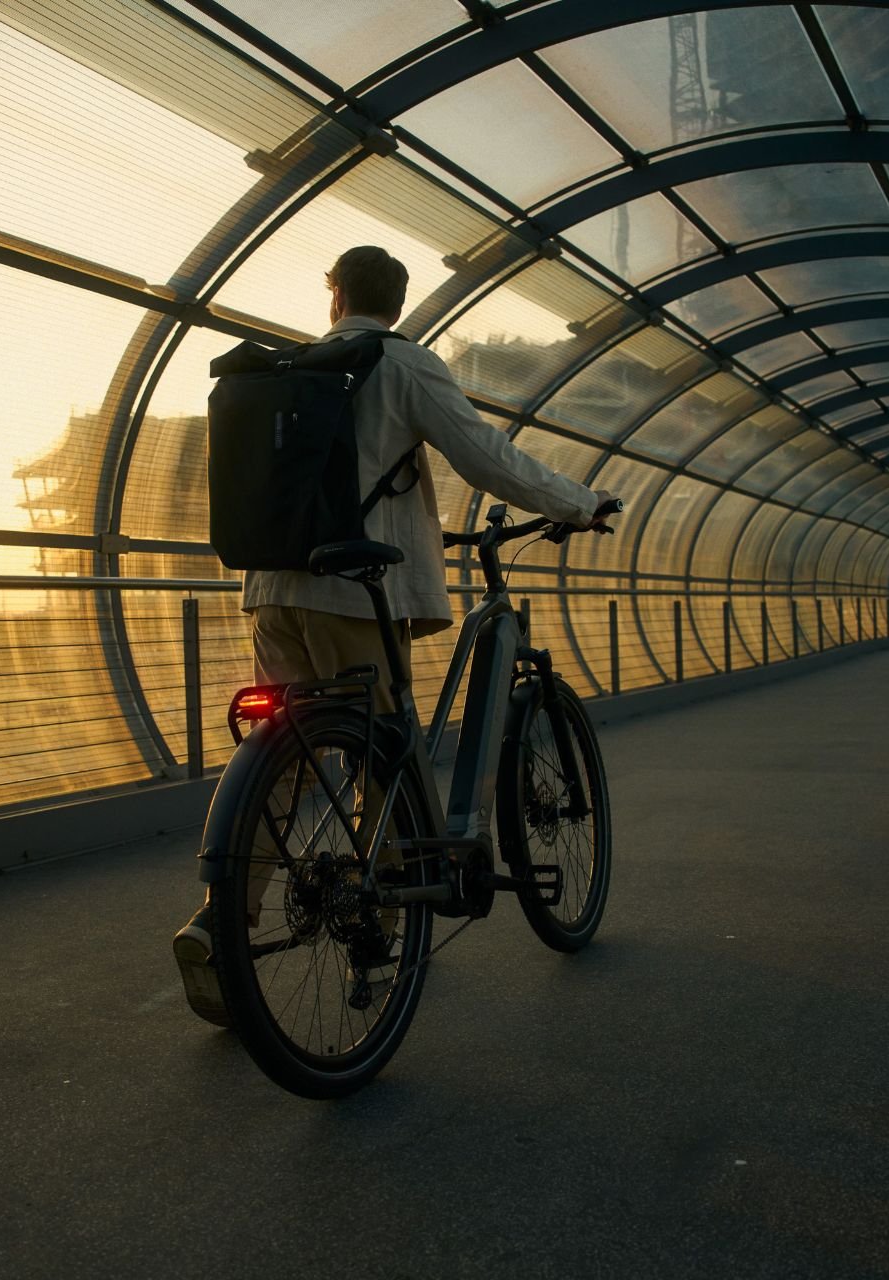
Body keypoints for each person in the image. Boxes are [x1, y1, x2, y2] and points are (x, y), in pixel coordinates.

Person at [174, 245, 615, 1024]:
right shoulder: (402, 363)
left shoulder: (292, 371)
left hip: (272, 589)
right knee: (386, 758)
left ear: (334, 295)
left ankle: (223, 915)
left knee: (290, 754)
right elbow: (485, 457)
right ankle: (381, 931)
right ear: (399, 303)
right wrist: (577, 502)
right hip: (353, 591)